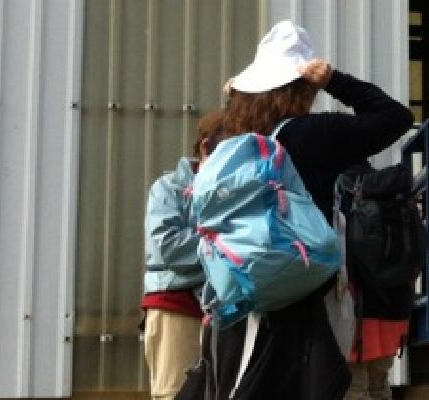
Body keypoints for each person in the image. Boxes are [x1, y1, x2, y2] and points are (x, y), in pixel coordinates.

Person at [193, 20, 415, 400]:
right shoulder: (316, 134)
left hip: (239, 294)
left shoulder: (229, 139)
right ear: (304, 88)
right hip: (304, 291)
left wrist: (237, 94)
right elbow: (396, 117)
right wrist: (334, 80)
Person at [141, 134, 214, 400]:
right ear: (205, 146)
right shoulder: (168, 188)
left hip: (222, 312)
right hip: (176, 304)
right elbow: (168, 246)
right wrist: (223, 244)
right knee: (176, 394)